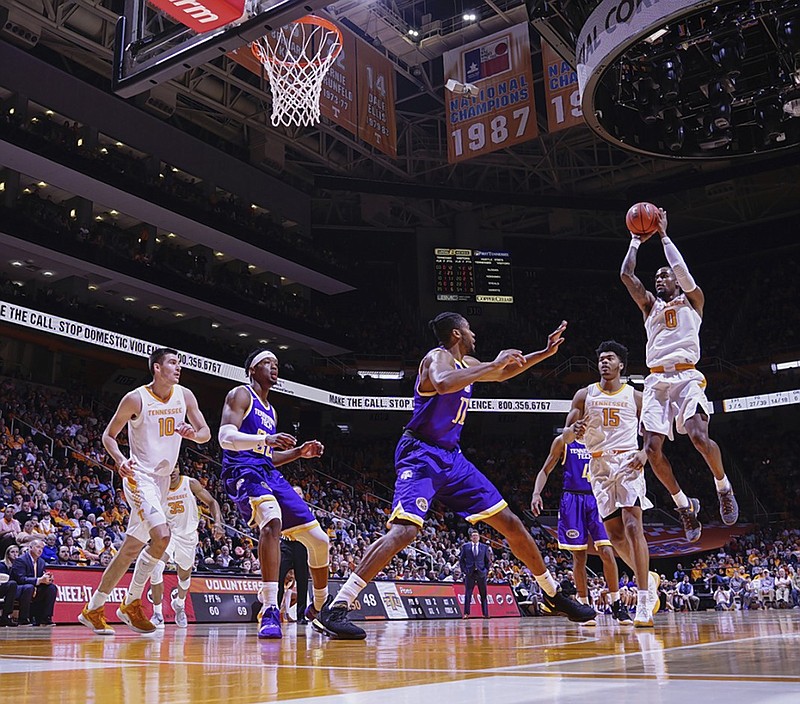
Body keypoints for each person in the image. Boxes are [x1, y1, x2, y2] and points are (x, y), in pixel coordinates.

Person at [314, 313, 596, 640]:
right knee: (405, 531)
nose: (474, 333)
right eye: (469, 329)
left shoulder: (467, 363)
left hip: (452, 456)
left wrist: (543, 354)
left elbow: (505, 372)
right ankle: (337, 606)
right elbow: (445, 383)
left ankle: (551, 595)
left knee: (510, 523)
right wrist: (492, 365)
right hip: (420, 453)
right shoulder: (437, 357)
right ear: (457, 332)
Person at [620, 208, 738, 542]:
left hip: (687, 377)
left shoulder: (693, 301)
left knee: (699, 437)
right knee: (652, 451)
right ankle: (685, 505)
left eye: (664, 275)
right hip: (656, 381)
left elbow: (685, 273)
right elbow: (626, 277)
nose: (660, 279)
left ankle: (723, 487)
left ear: (676, 281)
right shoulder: (649, 306)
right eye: (657, 276)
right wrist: (634, 241)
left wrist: (663, 236)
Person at [79, 347, 211, 635]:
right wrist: (120, 460)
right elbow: (108, 436)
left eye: (180, 363)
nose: (179, 368)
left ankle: (93, 608)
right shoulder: (135, 398)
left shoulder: (185, 395)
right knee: (162, 536)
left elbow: (205, 433)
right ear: (157, 368)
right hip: (139, 477)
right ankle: (131, 603)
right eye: (173, 363)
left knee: (128, 551)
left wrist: (194, 434)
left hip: (162, 481)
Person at [218, 349, 331, 639]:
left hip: (267, 472)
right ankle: (269, 609)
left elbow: (268, 456)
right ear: (252, 369)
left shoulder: (272, 410)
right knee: (271, 518)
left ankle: (319, 608)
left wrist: (298, 452)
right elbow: (225, 438)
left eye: (277, 364)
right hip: (242, 470)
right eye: (268, 363)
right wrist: (265, 439)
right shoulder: (240, 395)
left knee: (319, 540)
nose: (275, 367)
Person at [564, 340, 660, 627]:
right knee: (615, 536)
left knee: (633, 527)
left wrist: (645, 453)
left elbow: (654, 431)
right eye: (601, 358)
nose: (604, 362)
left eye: (610, 358)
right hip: (599, 466)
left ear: (621, 364)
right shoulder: (584, 395)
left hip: (629, 462)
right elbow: (567, 437)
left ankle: (643, 602)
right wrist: (574, 431)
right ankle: (650, 579)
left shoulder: (636, 397)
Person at [531, 431, 630, 625]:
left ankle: (617, 603)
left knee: (607, 551)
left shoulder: (602, 439)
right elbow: (545, 470)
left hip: (597, 498)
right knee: (579, 555)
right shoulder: (564, 442)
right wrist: (536, 493)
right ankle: (583, 604)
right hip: (572, 499)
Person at [149, 466, 224, 628]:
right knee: (155, 569)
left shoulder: (190, 483)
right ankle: (157, 613)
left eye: (175, 466)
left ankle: (180, 605)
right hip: (168, 534)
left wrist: (217, 522)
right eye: (169, 468)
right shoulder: (157, 489)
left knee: (183, 577)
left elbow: (212, 501)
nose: (173, 471)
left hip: (188, 537)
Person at [277, 486, 312, 625]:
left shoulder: (307, 509)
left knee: (302, 581)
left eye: (300, 493)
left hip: (301, 546)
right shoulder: (283, 507)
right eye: (295, 492)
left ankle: (301, 615)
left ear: (303, 496)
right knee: (279, 579)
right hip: (286, 545)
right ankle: (274, 612)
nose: (297, 495)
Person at [10, 539, 57, 626]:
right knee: (29, 587)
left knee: (51, 588)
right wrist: (39, 580)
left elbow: (41, 577)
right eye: (38, 547)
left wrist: (47, 579)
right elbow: (21, 579)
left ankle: (46, 618)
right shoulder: (20, 560)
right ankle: (23, 619)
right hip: (18, 588)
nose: (40, 550)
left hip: (34, 588)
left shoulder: (41, 562)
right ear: (30, 547)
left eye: (42, 548)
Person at [459, 530, 492, 618]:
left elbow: (488, 561)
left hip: (481, 573)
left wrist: (486, 571)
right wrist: (464, 570)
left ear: (479, 537)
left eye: (476, 536)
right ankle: (466, 613)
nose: (475, 537)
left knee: (483, 594)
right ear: (471, 537)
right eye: (473, 536)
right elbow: (461, 560)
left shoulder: (484, 547)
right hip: (470, 573)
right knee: (468, 594)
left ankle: (485, 613)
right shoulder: (466, 547)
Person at [0, 544, 29, 626]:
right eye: (12, 552)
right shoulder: (2, 564)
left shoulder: (19, 565)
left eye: (17, 552)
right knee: (12, 584)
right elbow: (4, 579)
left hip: (12, 589)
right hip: (2, 587)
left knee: (27, 588)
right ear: (7, 554)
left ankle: (24, 618)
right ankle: (5, 616)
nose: (15, 554)